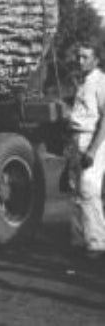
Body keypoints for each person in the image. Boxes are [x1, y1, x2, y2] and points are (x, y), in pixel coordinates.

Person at [67, 41, 105, 259]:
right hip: (75, 139)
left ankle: (97, 243)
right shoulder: (82, 83)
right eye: (78, 57)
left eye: (85, 57)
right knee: (74, 190)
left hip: (93, 140)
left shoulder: (101, 81)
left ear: (96, 60)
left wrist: (92, 150)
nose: (80, 61)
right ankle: (78, 240)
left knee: (89, 190)